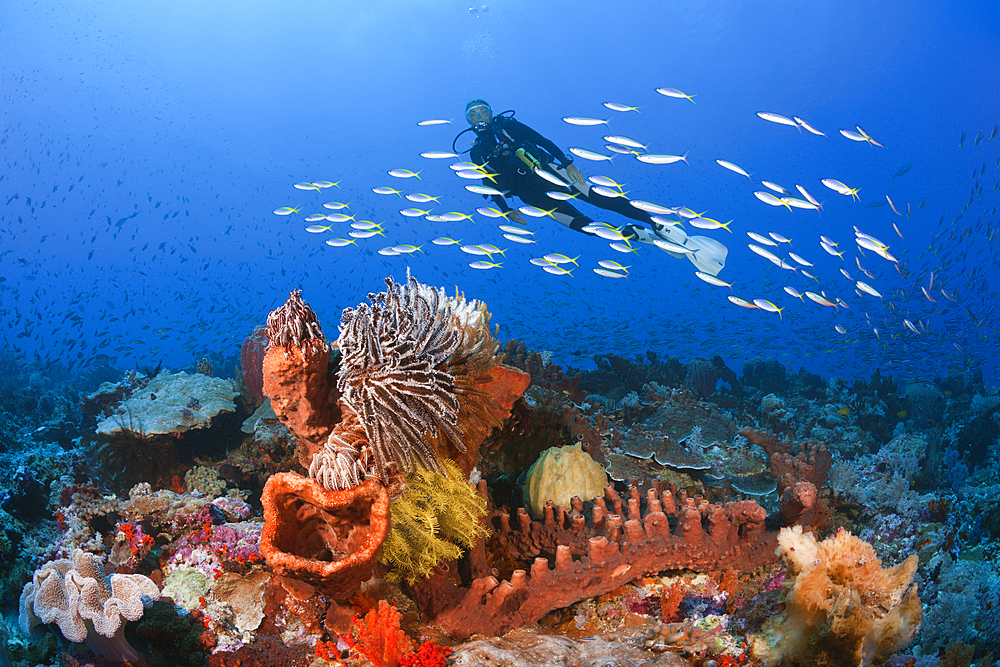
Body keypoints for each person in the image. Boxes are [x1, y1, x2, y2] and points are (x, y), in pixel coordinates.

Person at [460, 99, 727, 275]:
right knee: (580, 225)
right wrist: (506, 211)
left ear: (491, 113)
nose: (479, 116)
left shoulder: (508, 126)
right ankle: (634, 234)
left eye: (483, 111)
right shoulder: (476, 153)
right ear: (469, 122)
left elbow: (540, 140)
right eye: (473, 114)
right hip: (531, 196)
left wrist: (567, 162)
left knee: (601, 199)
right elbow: (489, 183)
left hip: (552, 173)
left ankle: (656, 223)